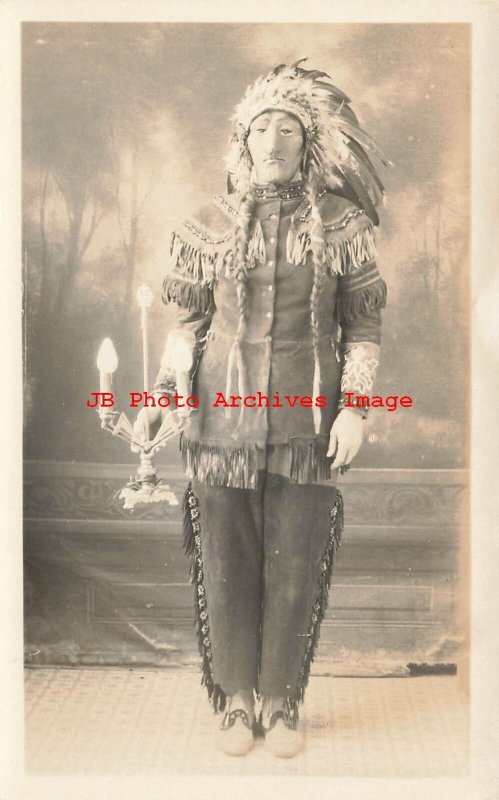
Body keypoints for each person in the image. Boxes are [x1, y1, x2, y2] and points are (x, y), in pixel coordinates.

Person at [135, 60, 388, 758]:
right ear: (241, 143)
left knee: (297, 558)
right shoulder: (206, 226)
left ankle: (282, 701)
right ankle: (236, 701)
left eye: (286, 129)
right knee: (224, 560)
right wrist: (159, 400)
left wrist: (355, 409)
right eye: (260, 129)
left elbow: (361, 327)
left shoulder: (343, 226)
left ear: (307, 146)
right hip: (217, 424)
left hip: (308, 426)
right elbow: (185, 324)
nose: (272, 141)